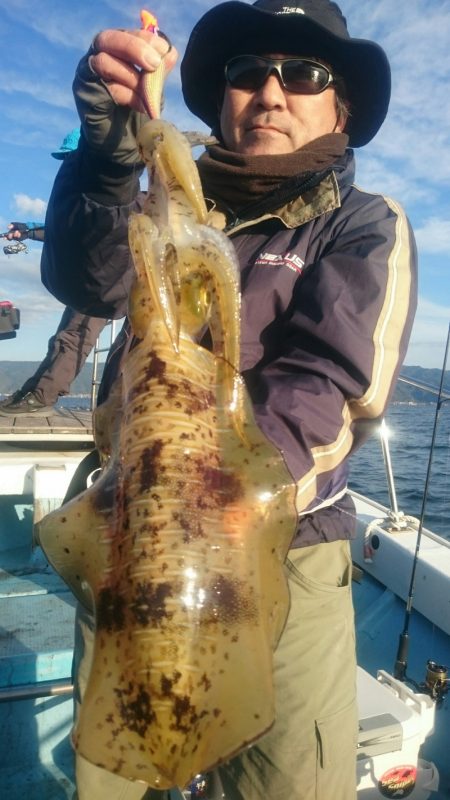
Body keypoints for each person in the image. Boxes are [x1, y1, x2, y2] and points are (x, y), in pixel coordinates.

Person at [41, 1, 418, 798]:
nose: (272, 93)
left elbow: (334, 385)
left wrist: (211, 500)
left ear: (341, 106)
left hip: (287, 545)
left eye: (304, 74)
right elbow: (89, 279)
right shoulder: (162, 203)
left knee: (282, 779)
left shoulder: (361, 224)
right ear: (222, 99)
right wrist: (107, 162)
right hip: (129, 536)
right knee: (115, 766)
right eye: (249, 73)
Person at [0, 129, 109, 416]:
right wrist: (27, 230)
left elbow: (77, 229)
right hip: (92, 279)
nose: (66, 164)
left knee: (74, 336)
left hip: (105, 282)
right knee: (63, 336)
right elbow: (65, 229)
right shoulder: (85, 192)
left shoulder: (100, 191)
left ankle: (42, 397)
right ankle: (32, 392)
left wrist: (30, 230)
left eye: (70, 157)